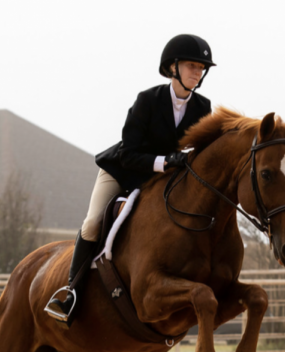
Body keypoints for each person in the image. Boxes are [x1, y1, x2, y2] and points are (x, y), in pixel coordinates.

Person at [45, 34, 216, 327]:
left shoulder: (203, 107)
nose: (197, 72)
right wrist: (166, 161)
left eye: (201, 68)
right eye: (191, 65)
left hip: (165, 180)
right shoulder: (148, 100)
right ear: (172, 67)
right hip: (124, 170)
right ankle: (70, 291)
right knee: (93, 222)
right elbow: (129, 153)